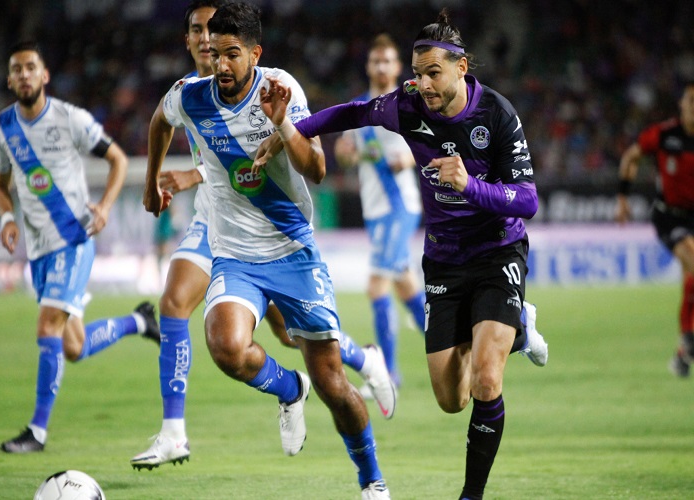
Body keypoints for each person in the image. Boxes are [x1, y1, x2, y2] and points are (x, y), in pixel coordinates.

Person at [255, 9, 549, 499]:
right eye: (417, 73)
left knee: (486, 379)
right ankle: (516, 326)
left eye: (433, 73)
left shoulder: (497, 114)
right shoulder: (408, 105)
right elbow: (351, 113)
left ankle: (471, 494)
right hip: (444, 259)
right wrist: (291, 132)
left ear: (461, 68)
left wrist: (471, 186)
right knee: (451, 399)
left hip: (497, 252)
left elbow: (528, 200)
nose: (423, 84)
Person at [130, 0, 397, 473]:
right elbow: (161, 122)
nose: (215, 56)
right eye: (206, 42)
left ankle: (358, 383)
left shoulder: (279, 89)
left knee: (307, 353)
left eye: (227, 51)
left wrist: (283, 124)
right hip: (225, 237)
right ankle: (183, 428)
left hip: (288, 244)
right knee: (206, 328)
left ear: (253, 53)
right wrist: (152, 182)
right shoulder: (188, 94)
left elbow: (315, 168)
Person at [0, 41, 160, 453]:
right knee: (74, 346)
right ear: (10, 80)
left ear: (44, 75)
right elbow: (0, 182)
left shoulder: (71, 119)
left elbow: (118, 159)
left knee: (47, 326)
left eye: (31, 67)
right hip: (38, 250)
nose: (25, 75)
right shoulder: (3, 127)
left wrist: (104, 207)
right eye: (17, 69)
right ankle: (139, 322)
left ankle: (37, 432)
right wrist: (7, 218)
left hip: (73, 240)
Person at [333, 33, 426, 389]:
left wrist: (410, 158)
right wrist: (347, 154)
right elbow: (345, 154)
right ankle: (452, 343)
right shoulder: (358, 108)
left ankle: (387, 374)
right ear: (369, 66)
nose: (382, 67)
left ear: (398, 67)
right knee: (406, 286)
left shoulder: (410, 104)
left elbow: (430, 145)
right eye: (376, 61)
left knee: (376, 287)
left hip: (398, 206)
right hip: (375, 210)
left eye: (388, 61)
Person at [616, 81, 694, 377]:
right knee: (692, 258)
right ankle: (689, 337)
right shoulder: (664, 135)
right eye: (690, 101)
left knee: (690, 280)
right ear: (682, 105)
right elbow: (631, 157)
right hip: (670, 218)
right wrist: (623, 198)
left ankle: (682, 353)